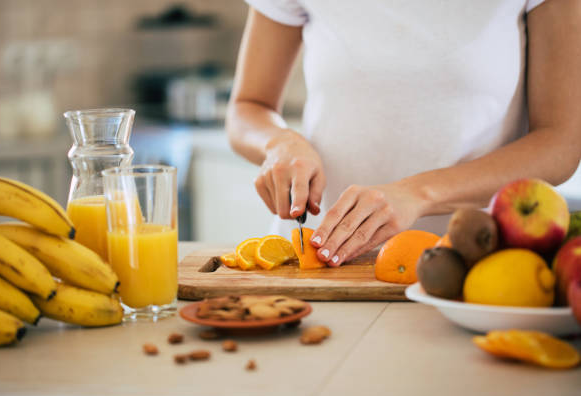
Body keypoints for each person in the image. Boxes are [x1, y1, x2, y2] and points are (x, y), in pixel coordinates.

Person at [226, 0, 581, 267]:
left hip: (472, 268)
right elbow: (247, 107)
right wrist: (280, 144)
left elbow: (560, 143)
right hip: (317, 262)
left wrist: (418, 194)